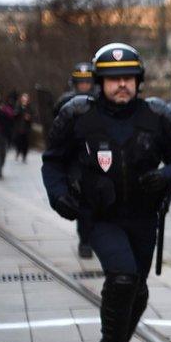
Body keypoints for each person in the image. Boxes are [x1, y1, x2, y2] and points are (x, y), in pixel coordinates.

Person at [42, 43, 171, 342]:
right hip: (101, 217)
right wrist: (58, 195)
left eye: (127, 78)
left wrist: (166, 176)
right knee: (122, 276)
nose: (121, 84)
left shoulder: (157, 116)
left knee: (137, 287)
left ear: (138, 81)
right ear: (99, 82)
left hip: (143, 217)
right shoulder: (78, 116)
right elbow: (53, 162)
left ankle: (120, 341)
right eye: (113, 79)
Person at [54, 62, 99, 259]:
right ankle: (85, 241)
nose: (84, 86)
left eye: (87, 82)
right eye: (80, 83)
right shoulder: (65, 102)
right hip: (77, 159)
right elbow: (56, 131)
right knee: (84, 202)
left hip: (101, 157)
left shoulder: (103, 101)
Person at [12, 93, 33, 163]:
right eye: (23, 98)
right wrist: (17, 113)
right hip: (18, 128)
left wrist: (29, 118)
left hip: (26, 129)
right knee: (18, 142)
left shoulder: (30, 107)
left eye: (26, 98)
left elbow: (33, 116)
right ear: (21, 99)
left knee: (25, 143)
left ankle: (24, 156)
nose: (24, 100)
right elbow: (14, 115)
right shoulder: (18, 106)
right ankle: (18, 152)